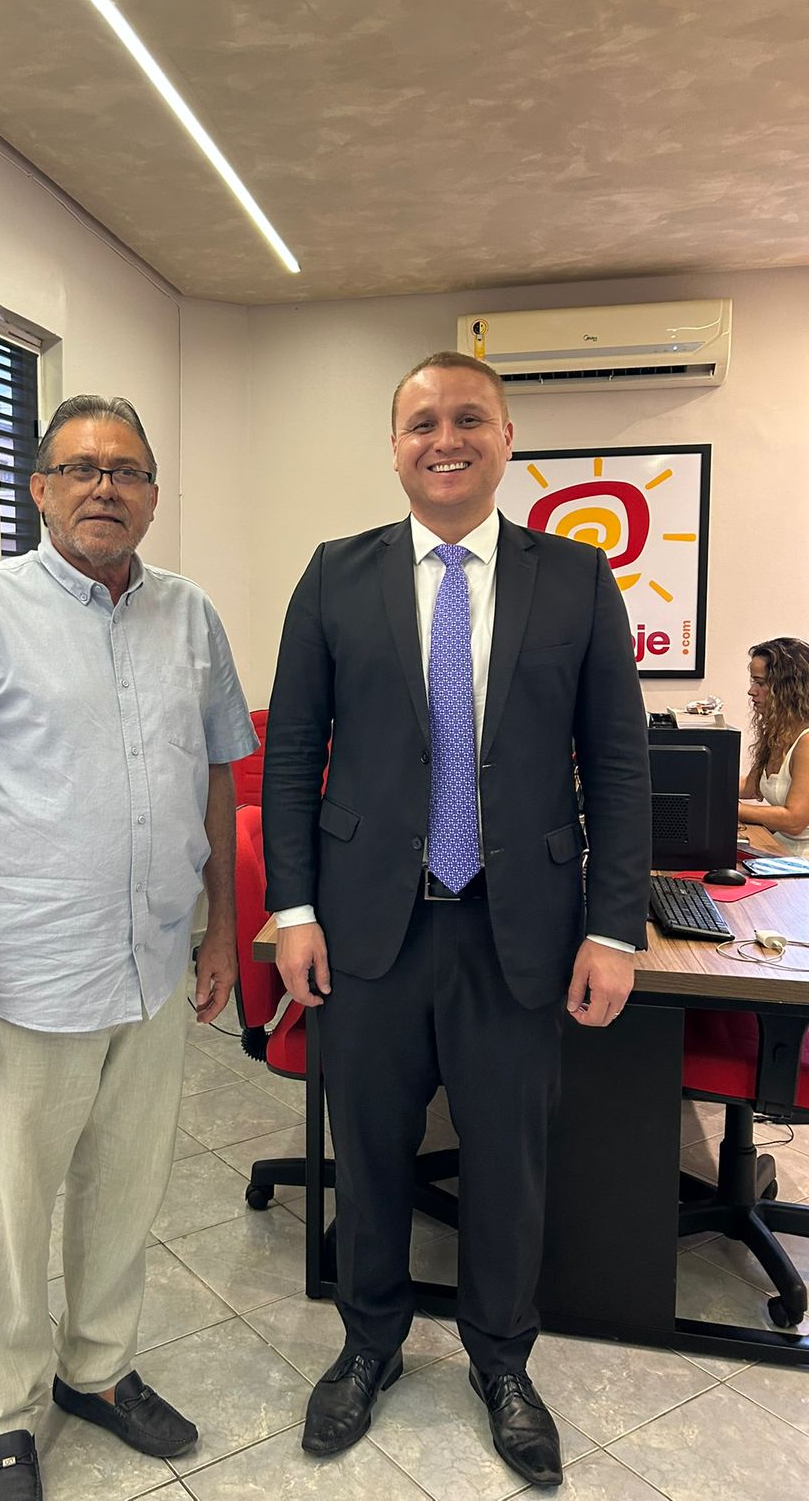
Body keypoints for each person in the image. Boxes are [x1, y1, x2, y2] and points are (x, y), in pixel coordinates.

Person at [262, 351, 651, 1488]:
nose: (446, 438)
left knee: (509, 1163)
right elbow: (292, 753)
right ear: (395, 447)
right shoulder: (334, 574)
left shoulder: (574, 578)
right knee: (370, 1152)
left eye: (469, 418)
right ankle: (368, 1343)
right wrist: (293, 908)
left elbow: (617, 763)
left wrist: (615, 927)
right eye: (422, 422)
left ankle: (503, 1361)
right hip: (367, 928)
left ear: (506, 436)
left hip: (515, 926)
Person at [0, 394, 257, 1501]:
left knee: (125, 1190)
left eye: (126, 471)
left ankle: (97, 1369)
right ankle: (7, 1411)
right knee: (15, 1209)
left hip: (154, 962)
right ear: (40, 489)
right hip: (29, 976)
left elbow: (218, 778)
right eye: (81, 468)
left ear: (153, 497)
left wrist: (222, 932)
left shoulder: (191, 616)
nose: (104, 487)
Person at [738, 636, 809, 852]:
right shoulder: (779, 732)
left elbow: (794, 820)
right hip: (781, 848)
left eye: (760, 683)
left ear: (788, 688)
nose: (752, 691)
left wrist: (732, 809)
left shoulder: (806, 741)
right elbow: (751, 787)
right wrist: (701, 787)